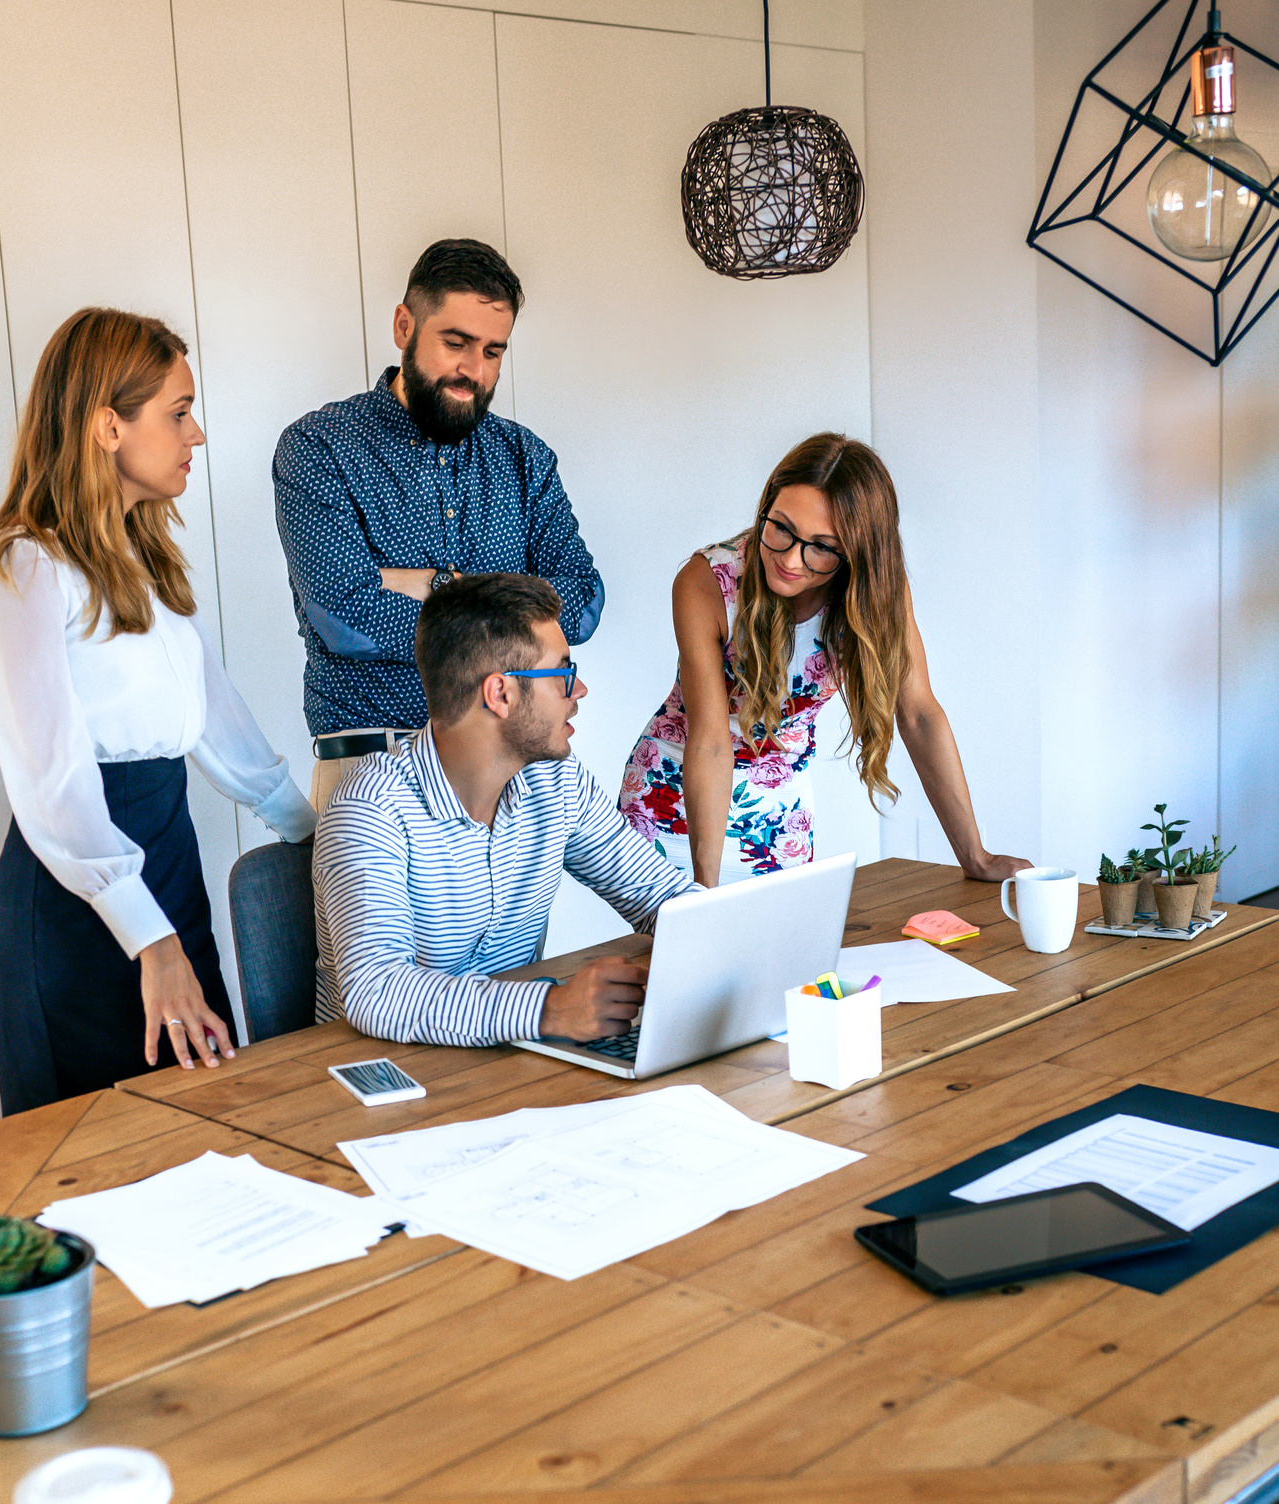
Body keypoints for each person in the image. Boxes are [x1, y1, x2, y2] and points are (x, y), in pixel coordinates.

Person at [0, 307, 316, 1115]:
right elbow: (51, 778)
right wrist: (149, 940)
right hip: (71, 906)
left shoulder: (145, 563)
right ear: (106, 425)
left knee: (214, 1126)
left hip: (169, 870)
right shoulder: (22, 567)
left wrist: (315, 835)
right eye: (179, 412)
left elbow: (220, 730)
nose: (195, 435)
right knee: (94, 1160)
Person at [274, 238, 604, 809]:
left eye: (494, 351)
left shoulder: (525, 458)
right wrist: (507, 602)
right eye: (456, 342)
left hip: (512, 772)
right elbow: (347, 618)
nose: (474, 370)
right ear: (404, 326)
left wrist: (434, 584)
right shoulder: (318, 448)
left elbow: (581, 603)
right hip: (373, 771)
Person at [618, 434, 1029, 888]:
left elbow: (918, 714)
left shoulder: (876, 590)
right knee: (694, 951)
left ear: (856, 551)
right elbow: (712, 742)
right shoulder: (707, 583)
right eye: (781, 528)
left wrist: (976, 857)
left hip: (779, 811)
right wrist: (706, 892)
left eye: (821, 546)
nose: (791, 559)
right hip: (676, 801)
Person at [315, 574, 694, 1046]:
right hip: (379, 1085)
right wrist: (551, 1008)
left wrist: (748, 937)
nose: (579, 692)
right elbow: (379, 991)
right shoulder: (371, 807)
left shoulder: (555, 780)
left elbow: (664, 899)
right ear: (500, 694)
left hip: (511, 1067)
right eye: (563, 673)